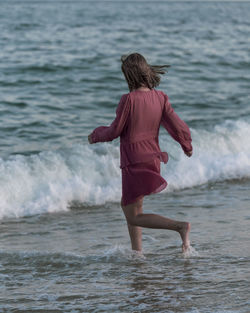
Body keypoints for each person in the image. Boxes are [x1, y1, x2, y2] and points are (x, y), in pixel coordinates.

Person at [88, 53, 193, 253]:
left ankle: (180, 226)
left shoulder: (129, 100)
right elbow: (177, 125)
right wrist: (186, 145)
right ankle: (137, 253)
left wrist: (95, 135)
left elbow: (114, 131)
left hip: (133, 160)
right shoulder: (160, 97)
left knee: (132, 214)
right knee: (134, 208)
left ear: (129, 76)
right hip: (152, 158)